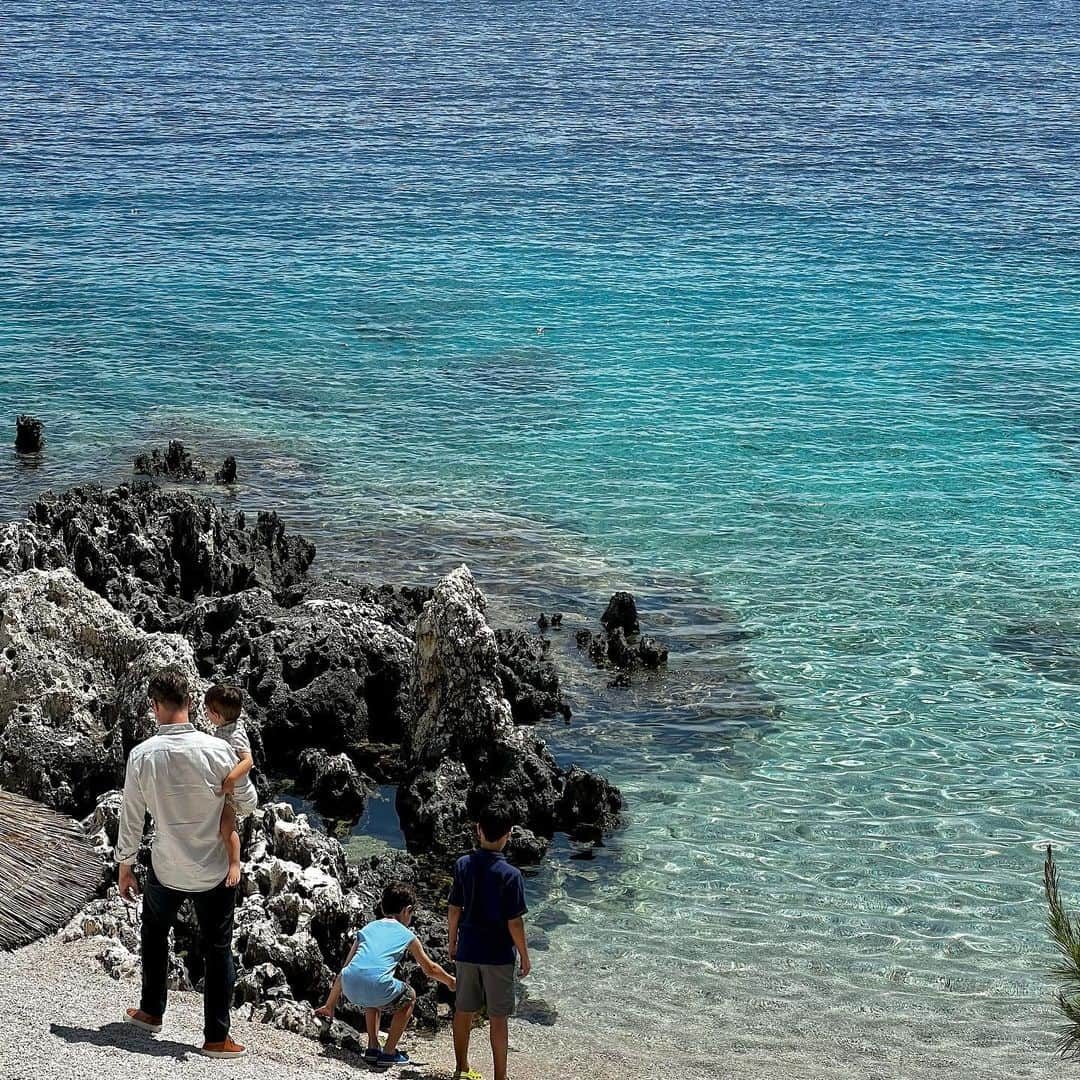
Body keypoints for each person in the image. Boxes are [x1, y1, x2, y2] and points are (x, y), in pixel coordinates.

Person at [116, 665, 247, 1059]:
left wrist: (125, 865)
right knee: (218, 947)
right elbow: (250, 801)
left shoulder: (142, 755)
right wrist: (225, 795)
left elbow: (131, 816)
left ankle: (151, 1011)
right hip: (213, 869)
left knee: (155, 933)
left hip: (166, 865)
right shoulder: (219, 750)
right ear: (190, 702)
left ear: (154, 706)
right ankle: (215, 1038)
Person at [315, 881, 456, 1067]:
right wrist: (450, 981)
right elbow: (429, 969)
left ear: (382, 907)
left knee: (372, 993)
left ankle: (373, 1047)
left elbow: (345, 969)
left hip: (350, 987)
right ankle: (389, 1052)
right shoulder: (407, 935)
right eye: (411, 913)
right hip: (375, 986)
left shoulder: (367, 929)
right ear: (408, 910)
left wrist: (330, 1005)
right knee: (409, 996)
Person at [448, 802, 531, 1080]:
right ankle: (500, 1077)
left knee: (463, 1010)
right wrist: (525, 955)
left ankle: (461, 1068)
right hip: (498, 954)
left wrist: (452, 943)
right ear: (509, 834)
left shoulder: (463, 865)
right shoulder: (511, 875)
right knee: (498, 1019)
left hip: (468, 948)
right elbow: (515, 922)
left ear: (478, 830)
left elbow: (454, 909)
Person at [204, 683, 258, 887]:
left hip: (241, 799)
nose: (205, 714)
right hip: (234, 794)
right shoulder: (227, 727)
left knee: (227, 827)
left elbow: (248, 761)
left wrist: (229, 781)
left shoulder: (234, 735)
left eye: (207, 711)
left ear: (217, 716)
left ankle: (235, 863)